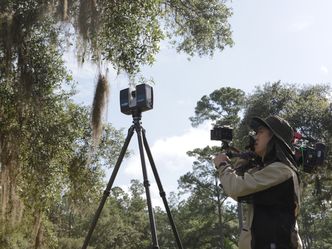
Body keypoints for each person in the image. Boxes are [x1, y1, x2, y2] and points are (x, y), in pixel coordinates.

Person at [214, 115, 302, 249]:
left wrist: (222, 165)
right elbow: (234, 185)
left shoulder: (281, 170)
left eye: (260, 132)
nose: (256, 137)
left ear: (274, 138)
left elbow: (236, 188)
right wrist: (244, 161)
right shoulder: (270, 169)